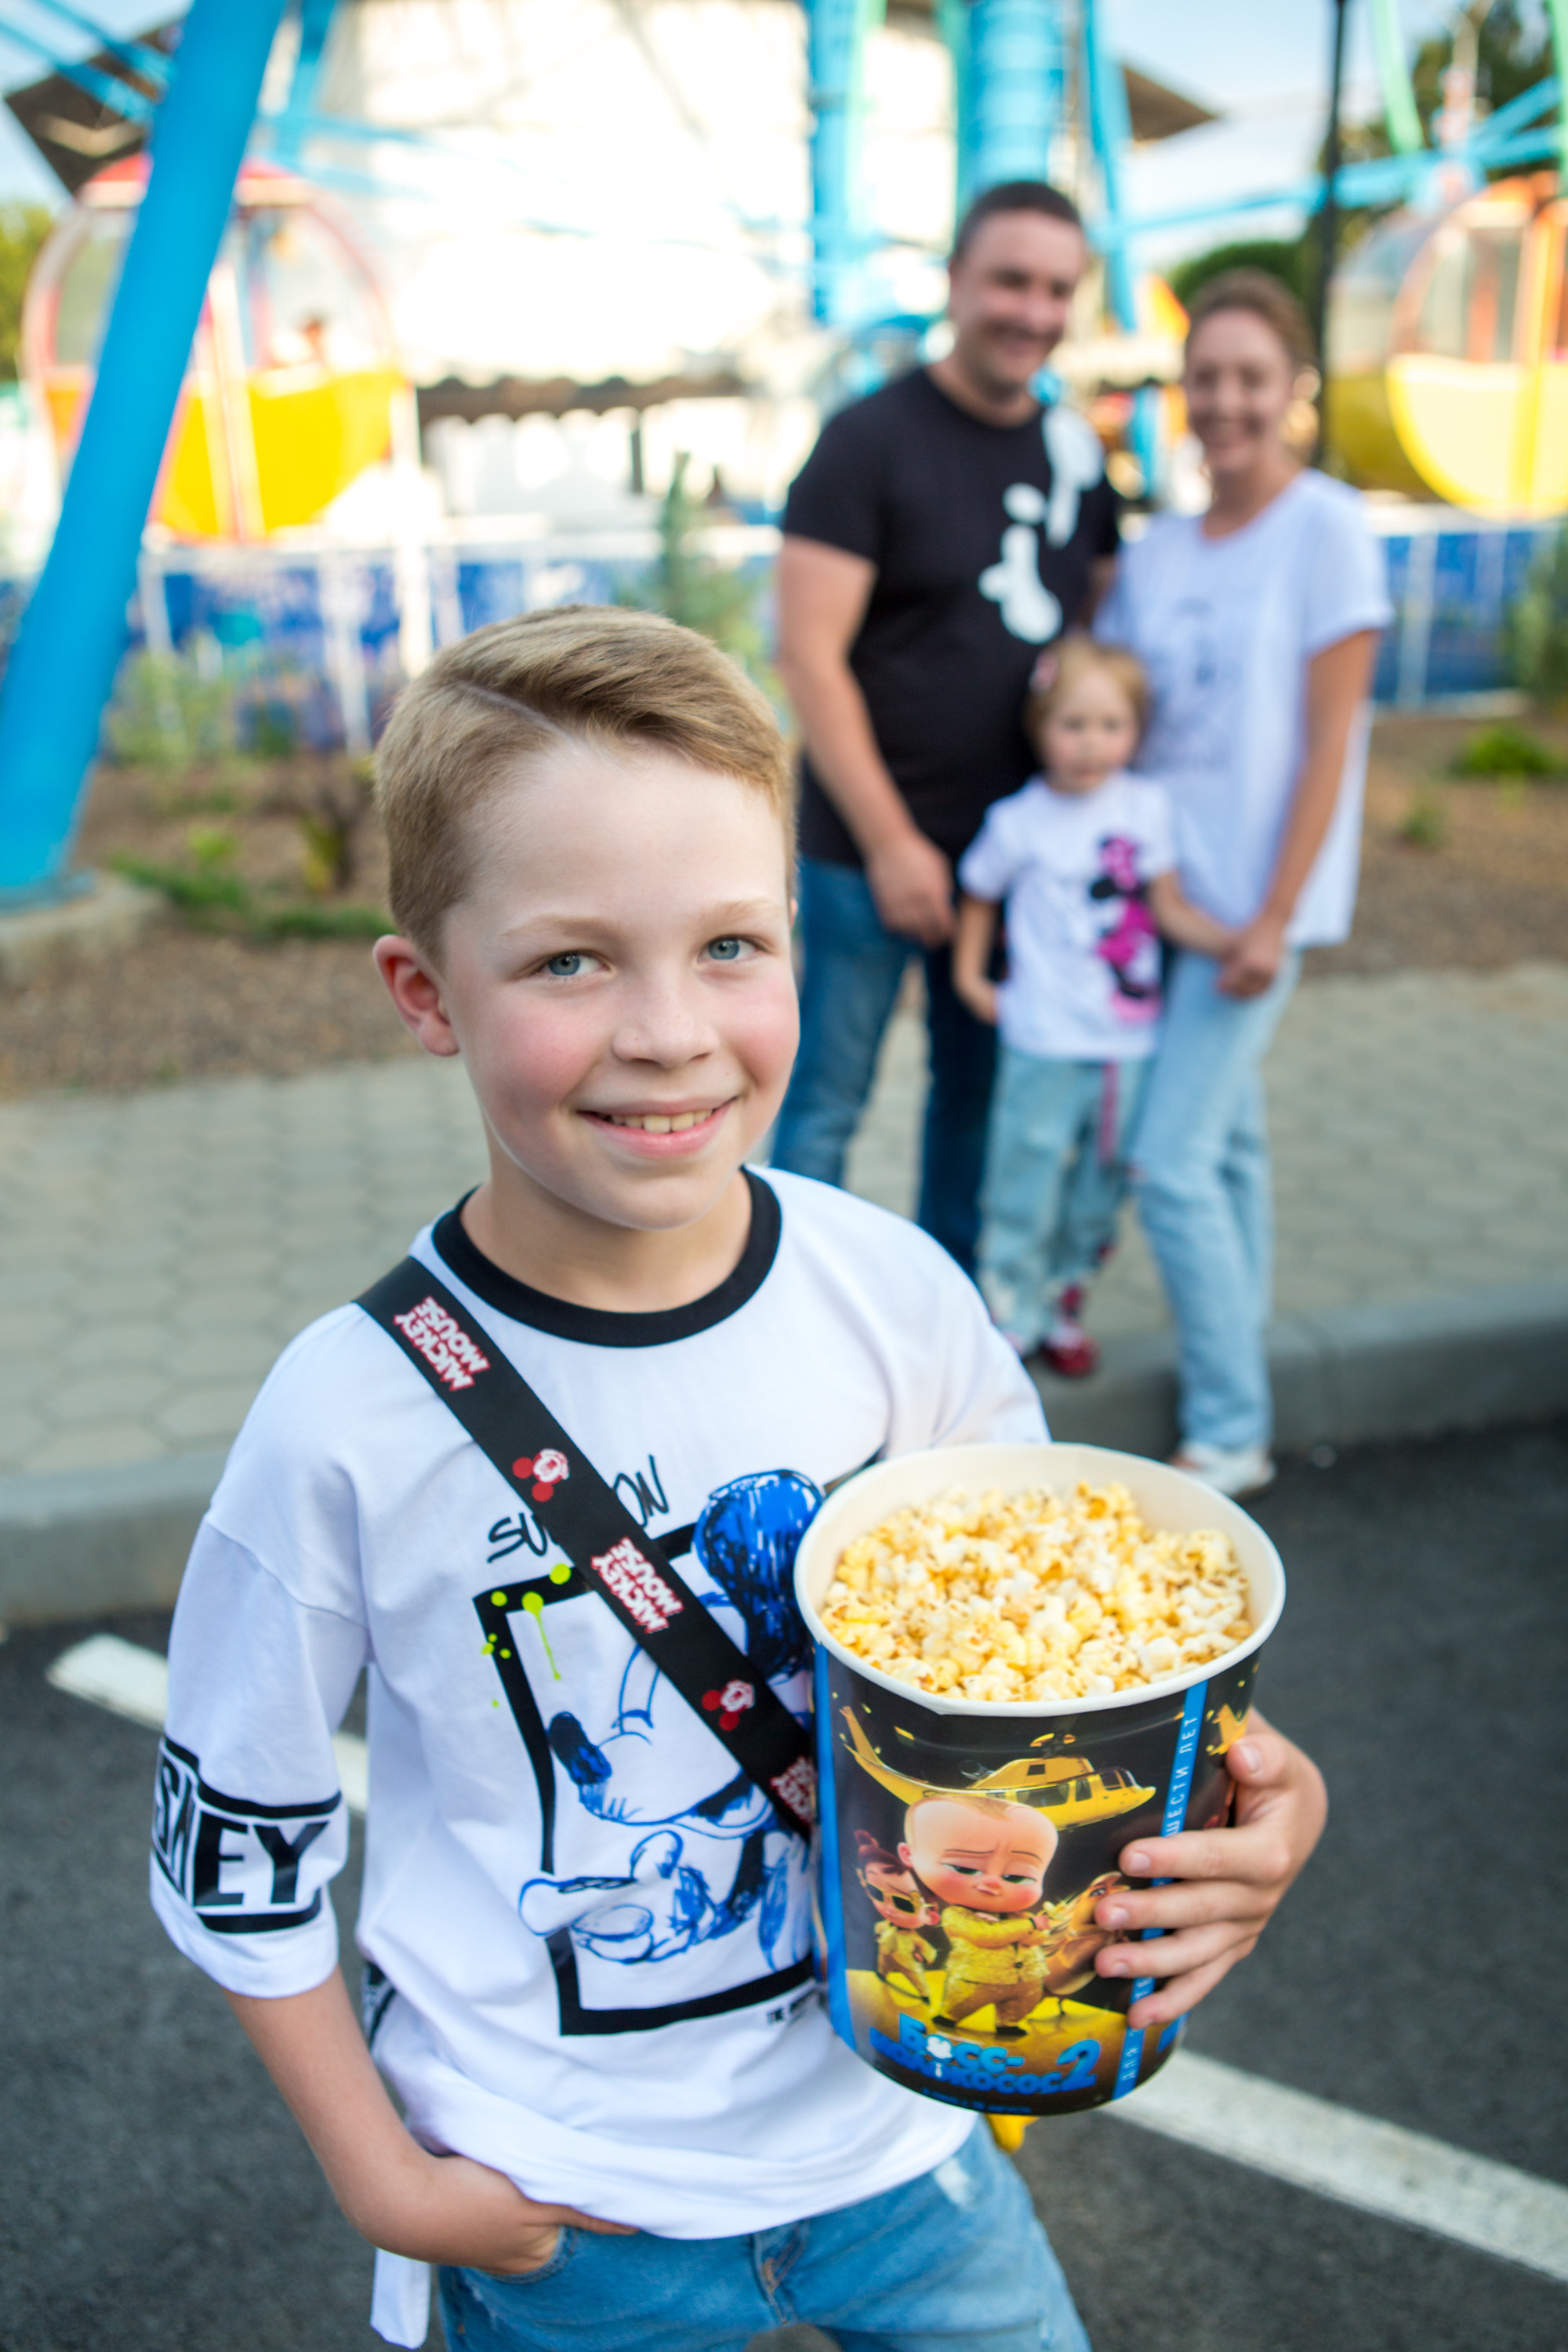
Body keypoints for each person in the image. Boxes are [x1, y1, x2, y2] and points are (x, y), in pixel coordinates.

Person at [149, 605, 1327, 2352]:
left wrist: (1255, 1808)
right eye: (570, 962)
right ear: (426, 993)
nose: (668, 1032)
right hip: (566, 2209)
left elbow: (1069, 1670)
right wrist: (382, 2178)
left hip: (905, 2148)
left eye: (728, 945)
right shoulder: (346, 1418)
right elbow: (234, 1847)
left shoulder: (894, 1298)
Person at [771, 180, 1119, 1275]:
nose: (1033, 310)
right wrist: (891, 844)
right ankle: (791, 1317)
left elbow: (1094, 628)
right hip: (863, 853)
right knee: (823, 1108)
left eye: (1057, 288)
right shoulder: (866, 441)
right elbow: (808, 656)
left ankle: (954, 1322)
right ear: (956, 282)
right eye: (1010, 280)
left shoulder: (1075, 455)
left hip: (1012, 860)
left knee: (974, 1109)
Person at [1097, 270, 1392, 1498]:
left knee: (1165, 1161)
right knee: (1223, 1152)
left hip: (1255, 914)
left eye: (1250, 378)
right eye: (1204, 376)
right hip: (1170, 902)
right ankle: (1244, 1362)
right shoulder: (1158, 550)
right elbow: (1120, 718)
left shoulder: (1328, 530)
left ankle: (1229, 1427)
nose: (1224, 400)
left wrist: (1274, 915)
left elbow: (1330, 745)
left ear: (1294, 389)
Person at [953, 637, 1236, 1377]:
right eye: (1073, 724)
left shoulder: (1146, 808)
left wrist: (1235, 943)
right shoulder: (1019, 820)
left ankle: (1065, 1302)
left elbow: (1167, 905)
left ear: (1136, 730)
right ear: (1040, 725)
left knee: (1100, 1190)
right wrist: (970, 976)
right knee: (1024, 1179)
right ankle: (1009, 1315)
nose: (1091, 743)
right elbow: (979, 892)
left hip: (1126, 1046)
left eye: (1112, 725)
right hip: (1042, 1040)